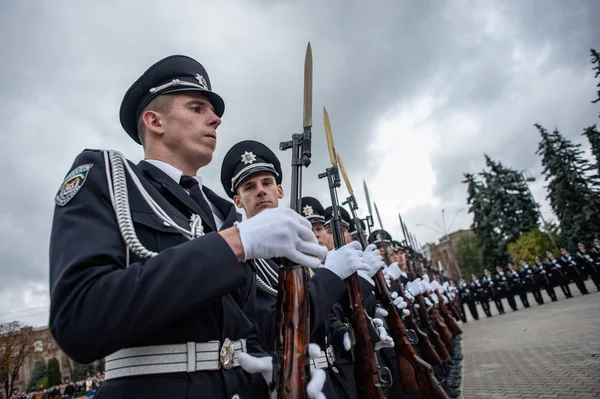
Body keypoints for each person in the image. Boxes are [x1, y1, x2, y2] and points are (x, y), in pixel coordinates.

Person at [48, 54, 327, 399]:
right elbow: (79, 319)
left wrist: (279, 371)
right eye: (197, 108)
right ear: (155, 121)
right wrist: (234, 245)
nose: (216, 120)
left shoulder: (220, 212)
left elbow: (246, 330)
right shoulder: (109, 179)